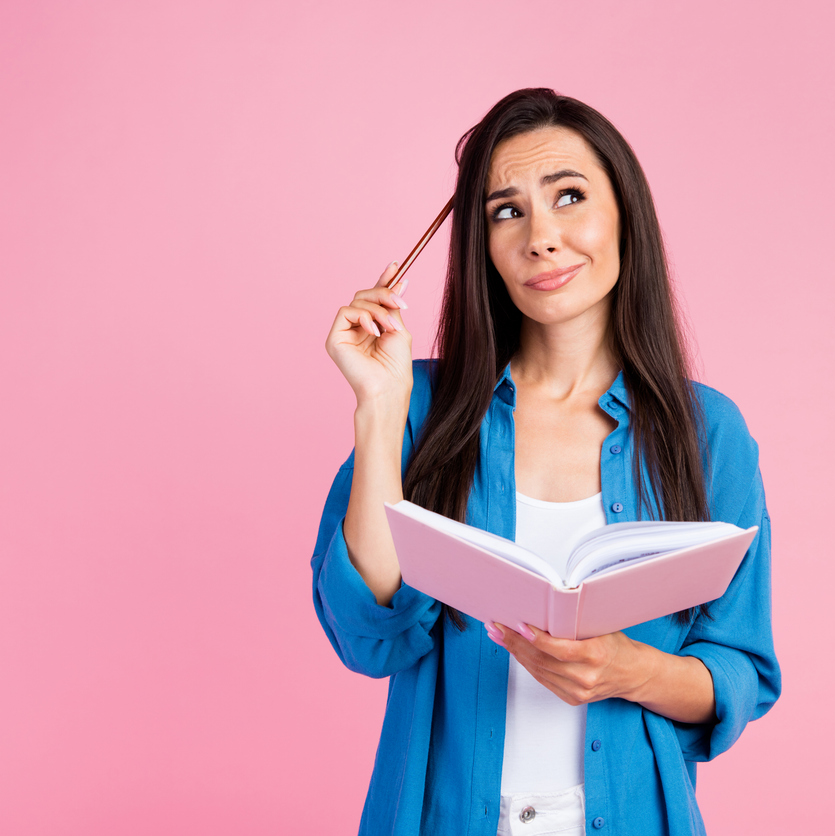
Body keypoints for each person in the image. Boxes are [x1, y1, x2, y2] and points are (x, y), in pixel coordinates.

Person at [311, 88, 780, 836]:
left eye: (569, 196)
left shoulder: (707, 430)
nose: (541, 237)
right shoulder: (421, 406)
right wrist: (378, 406)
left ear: (625, 211)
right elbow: (369, 631)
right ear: (483, 245)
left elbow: (739, 672)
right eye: (507, 211)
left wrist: (630, 670)